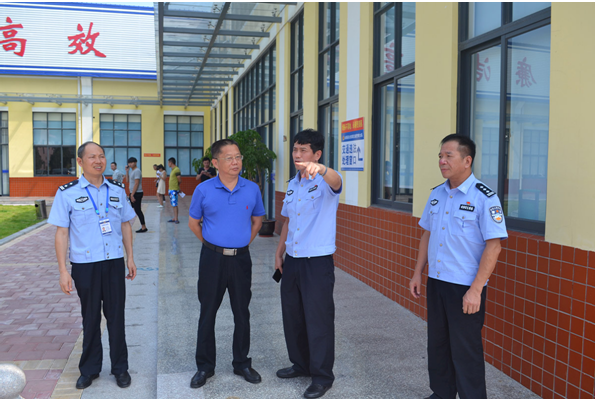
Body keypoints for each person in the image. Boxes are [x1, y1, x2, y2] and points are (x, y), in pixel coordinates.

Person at [409, 134, 508, 399]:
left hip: (464, 287)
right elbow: (427, 235)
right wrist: (418, 273)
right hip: (437, 281)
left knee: (466, 350)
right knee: (438, 344)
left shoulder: (484, 198)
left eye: (448, 156)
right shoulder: (437, 194)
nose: (442, 161)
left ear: (467, 160)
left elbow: (494, 247)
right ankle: (442, 393)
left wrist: (476, 290)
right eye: (440, 156)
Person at [48, 141, 137, 390]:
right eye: (92, 157)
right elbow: (61, 233)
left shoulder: (117, 190)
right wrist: (63, 271)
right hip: (85, 265)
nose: (98, 161)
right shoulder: (67, 193)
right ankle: (89, 369)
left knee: (116, 317)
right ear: (80, 162)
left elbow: (125, 224)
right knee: (90, 318)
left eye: (101, 156)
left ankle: (120, 368)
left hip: (113, 262)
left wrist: (130, 258)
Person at [188, 139, 265, 389]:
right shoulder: (204, 190)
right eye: (229, 158)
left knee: (242, 312)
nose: (236, 162)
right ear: (215, 162)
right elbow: (193, 223)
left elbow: (257, 221)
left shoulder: (252, 188)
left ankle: (242, 363)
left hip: (241, 259)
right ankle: (204, 366)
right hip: (212, 259)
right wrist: (213, 245)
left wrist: (242, 243)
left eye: (238, 157)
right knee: (207, 312)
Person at [274, 129, 343, 399]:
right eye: (295, 149)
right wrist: (279, 252)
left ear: (317, 154)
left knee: (318, 319)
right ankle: (300, 364)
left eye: (303, 150)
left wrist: (322, 169)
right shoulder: (293, 184)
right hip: (293, 260)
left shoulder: (325, 181)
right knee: (293, 316)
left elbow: (337, 181)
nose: (297, 154)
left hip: (317, 262)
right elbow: (287, 221)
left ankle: (322, 376)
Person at [127, 157, 147, 233]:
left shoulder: (137, 171)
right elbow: (127, 181)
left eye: (131, 162)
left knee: (138, 210)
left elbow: (136, 183)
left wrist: (132, 195)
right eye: (129, 163)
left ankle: (143, 227)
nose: (130, 164)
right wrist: (127, 171)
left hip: (137, 193)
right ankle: (143, 226)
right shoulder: (132, 171)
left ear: (135, 162)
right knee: (136, 209)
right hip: (133, 193)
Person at [167, 157, 182, 224]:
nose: (168, 164)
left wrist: (177, 186)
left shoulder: (176, 169)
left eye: (168, 162)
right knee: (173, 204)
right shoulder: (173, 170)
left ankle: (176, 219)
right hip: (171, 189)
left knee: (175, 204)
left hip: (174, 189)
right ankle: (174, 217)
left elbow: (179, 180)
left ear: (171, 163)